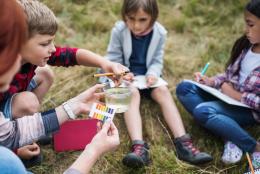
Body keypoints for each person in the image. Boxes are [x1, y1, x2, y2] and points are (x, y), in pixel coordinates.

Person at [0, 0, 127, 166]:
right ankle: (17, 143)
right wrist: (15, 150)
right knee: (27, 101)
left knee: (45, 74)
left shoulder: (27, 53)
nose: (52, 48)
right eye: (45, 43)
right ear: (17, 42)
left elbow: (70, 55)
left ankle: (31, 127)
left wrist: (104, 63)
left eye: (52, 41)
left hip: (8, 104)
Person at [102, 0, 212, 168]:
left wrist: (153, 74)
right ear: (125, 16)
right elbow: (113, 58)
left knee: (163, 91)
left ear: (153, 17)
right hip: (126, 79)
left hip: (147, 79)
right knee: (132, 93)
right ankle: (139, 147)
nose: (136, 25)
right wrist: (123, 73)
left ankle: (184, 144)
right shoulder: (119, 30)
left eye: (142, 20)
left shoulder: (160, 32)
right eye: (131, 19)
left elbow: (156, 60)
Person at [176, 0, 260, 169]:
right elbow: (230, 75)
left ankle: (254, 148)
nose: (246, 30)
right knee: (184, 88)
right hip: (227, 98)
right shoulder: (247, 47)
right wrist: (211, 82)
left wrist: (235, 95)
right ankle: (229, 135)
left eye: (250, 25)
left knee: (203, 111)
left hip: (249, 110)